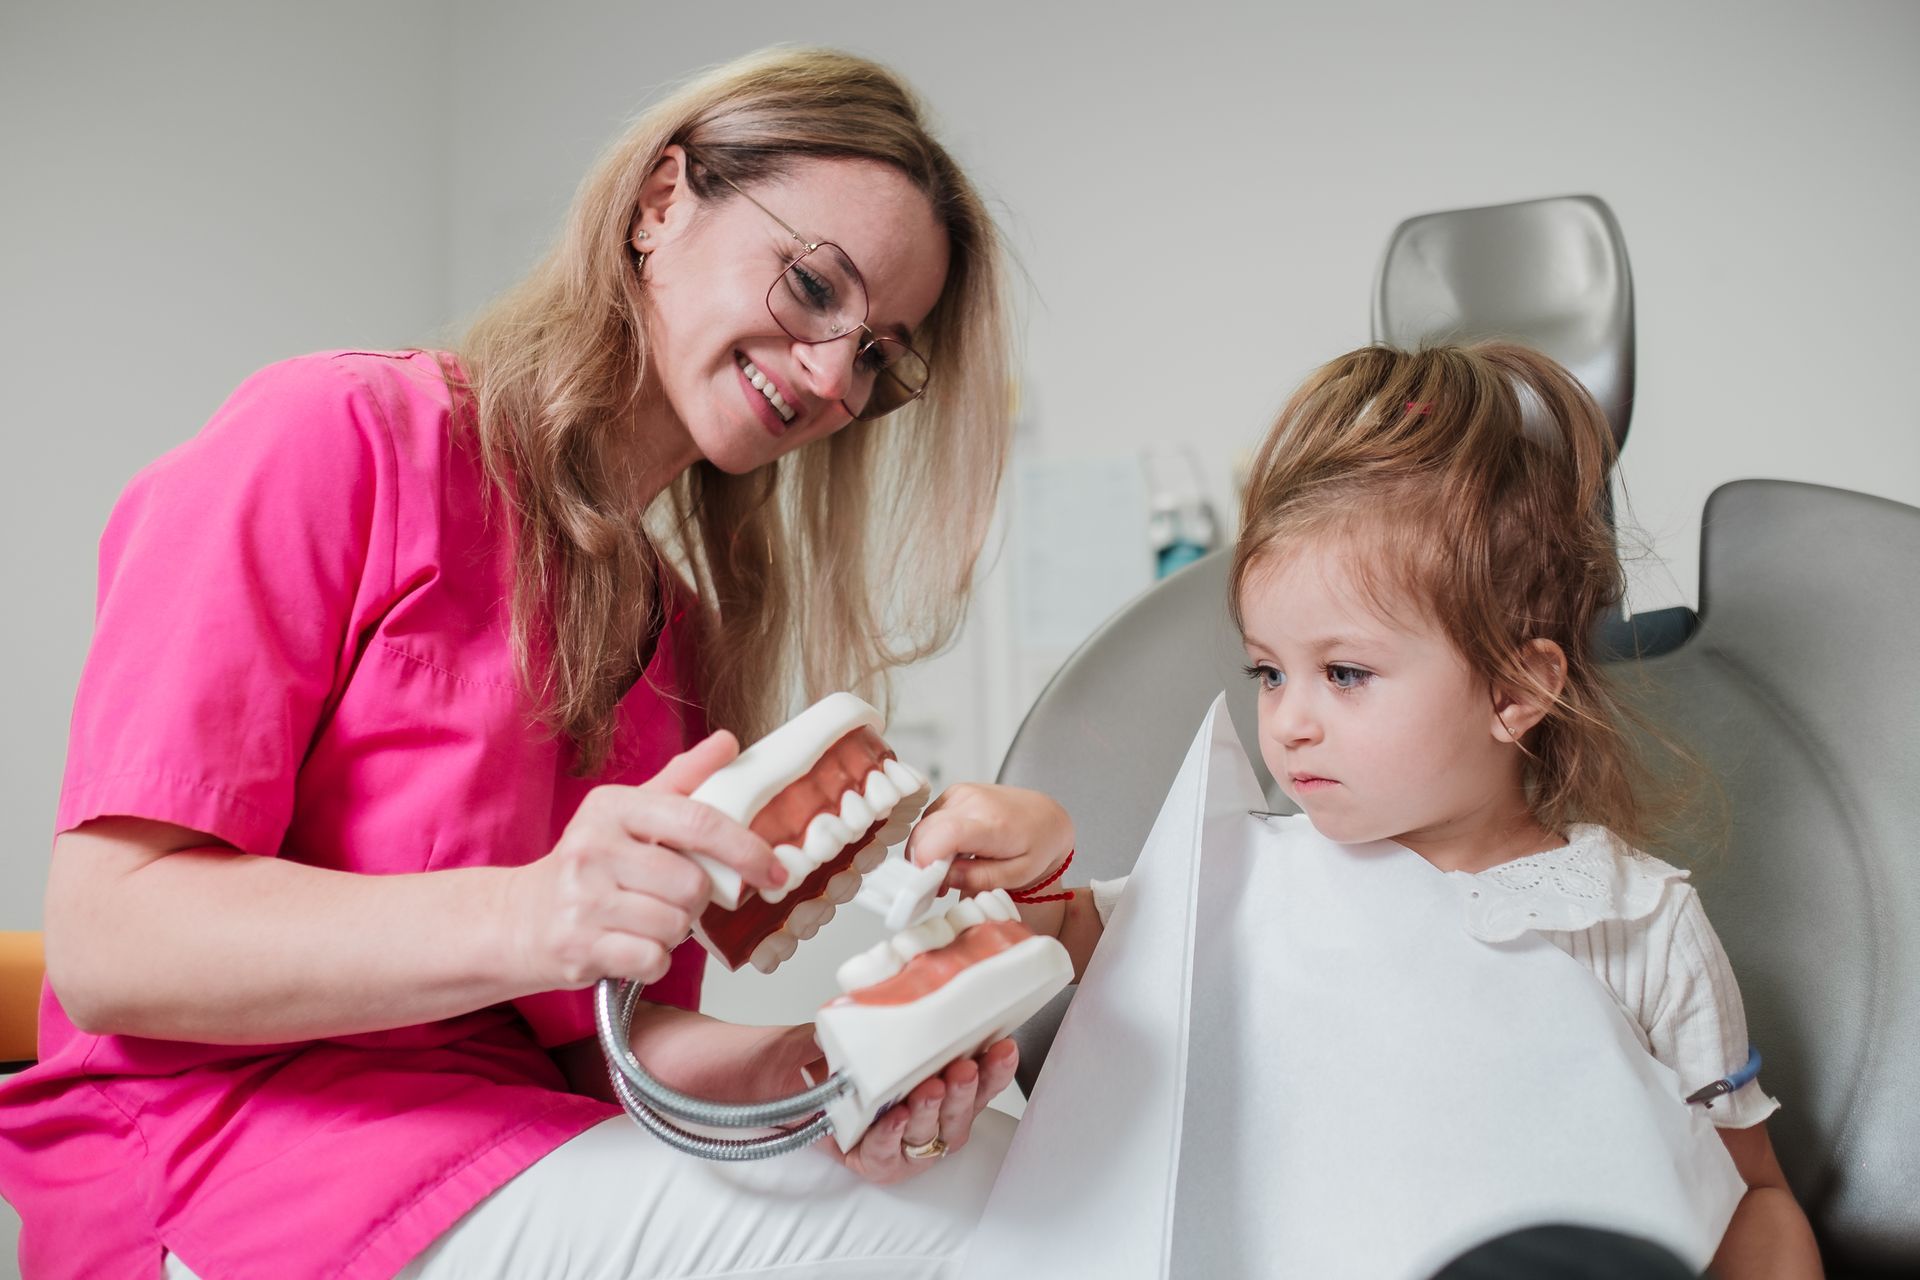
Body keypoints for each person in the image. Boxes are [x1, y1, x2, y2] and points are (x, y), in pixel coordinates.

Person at [0, 47, 1024, 1280]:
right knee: (968, 1229)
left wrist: (816, 1066)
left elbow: (601, 1045)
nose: (827, 375)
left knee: (1003, 1167)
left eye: (878, 358)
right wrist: (531, 910)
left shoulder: (677, 632)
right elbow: (113, 940)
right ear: (660, 204)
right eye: (814, 286)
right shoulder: (337, 440)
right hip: (234, 1164)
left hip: (512, 1141)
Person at [913, 343, 1824, 1277]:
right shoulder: (1238, 885)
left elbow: (1749, 1194)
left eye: (1345, 673)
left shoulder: (1630, 924)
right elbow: (1057, 935)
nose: (1290, 722)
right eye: (1269, 672)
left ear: (1516, 689)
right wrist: (1023, 863)